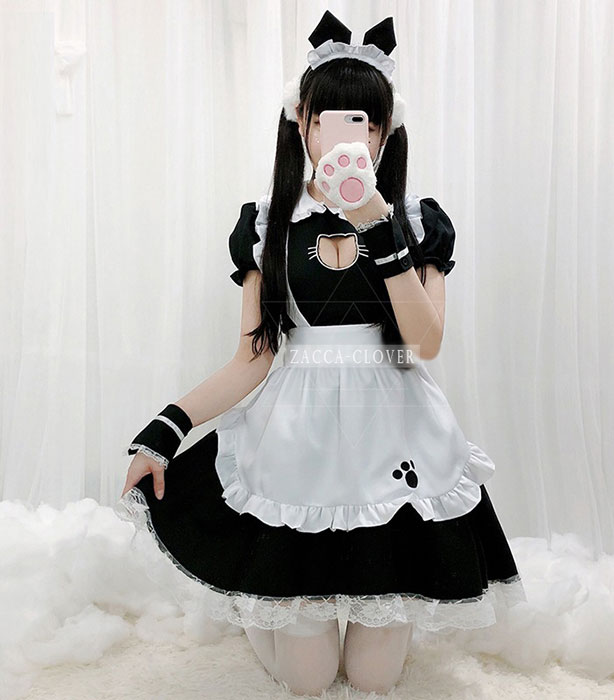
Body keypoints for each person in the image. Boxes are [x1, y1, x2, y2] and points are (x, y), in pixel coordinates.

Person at [116, 10, 527, 697]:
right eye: (329, 119)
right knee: (305, 681)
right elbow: (252, 359)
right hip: (297, 436)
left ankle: (332, 608)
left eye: (366, 121)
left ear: (386, 131)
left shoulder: (416, 221)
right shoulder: (267, 226)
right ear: (302, 123)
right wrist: (165, 430)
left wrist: (381, 230)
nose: (348, 136)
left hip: (394, 436)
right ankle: (265, 604)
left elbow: (425, 342)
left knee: (372, 679)